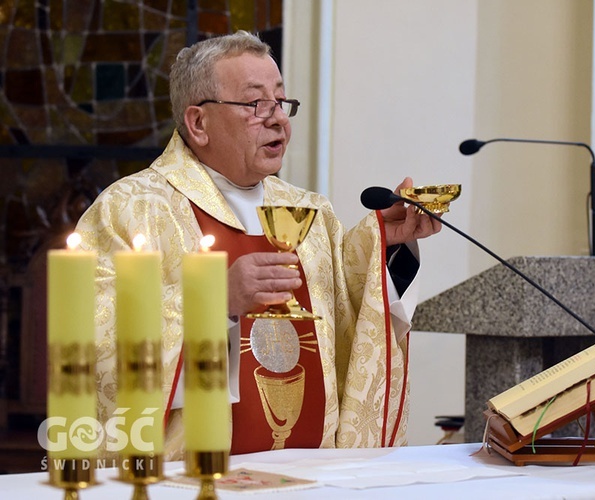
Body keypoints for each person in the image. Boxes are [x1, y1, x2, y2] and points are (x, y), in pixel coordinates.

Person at [75, 30, 441, 460]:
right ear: (198, 122)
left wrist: (385, 247)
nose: (278, 119)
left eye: (281, 103)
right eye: (255, 104)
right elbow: (91, 340)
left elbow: (347, 325)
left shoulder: (310, 211)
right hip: (190, 475)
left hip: (313, 471)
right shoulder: (131, 209)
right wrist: (213, 300)